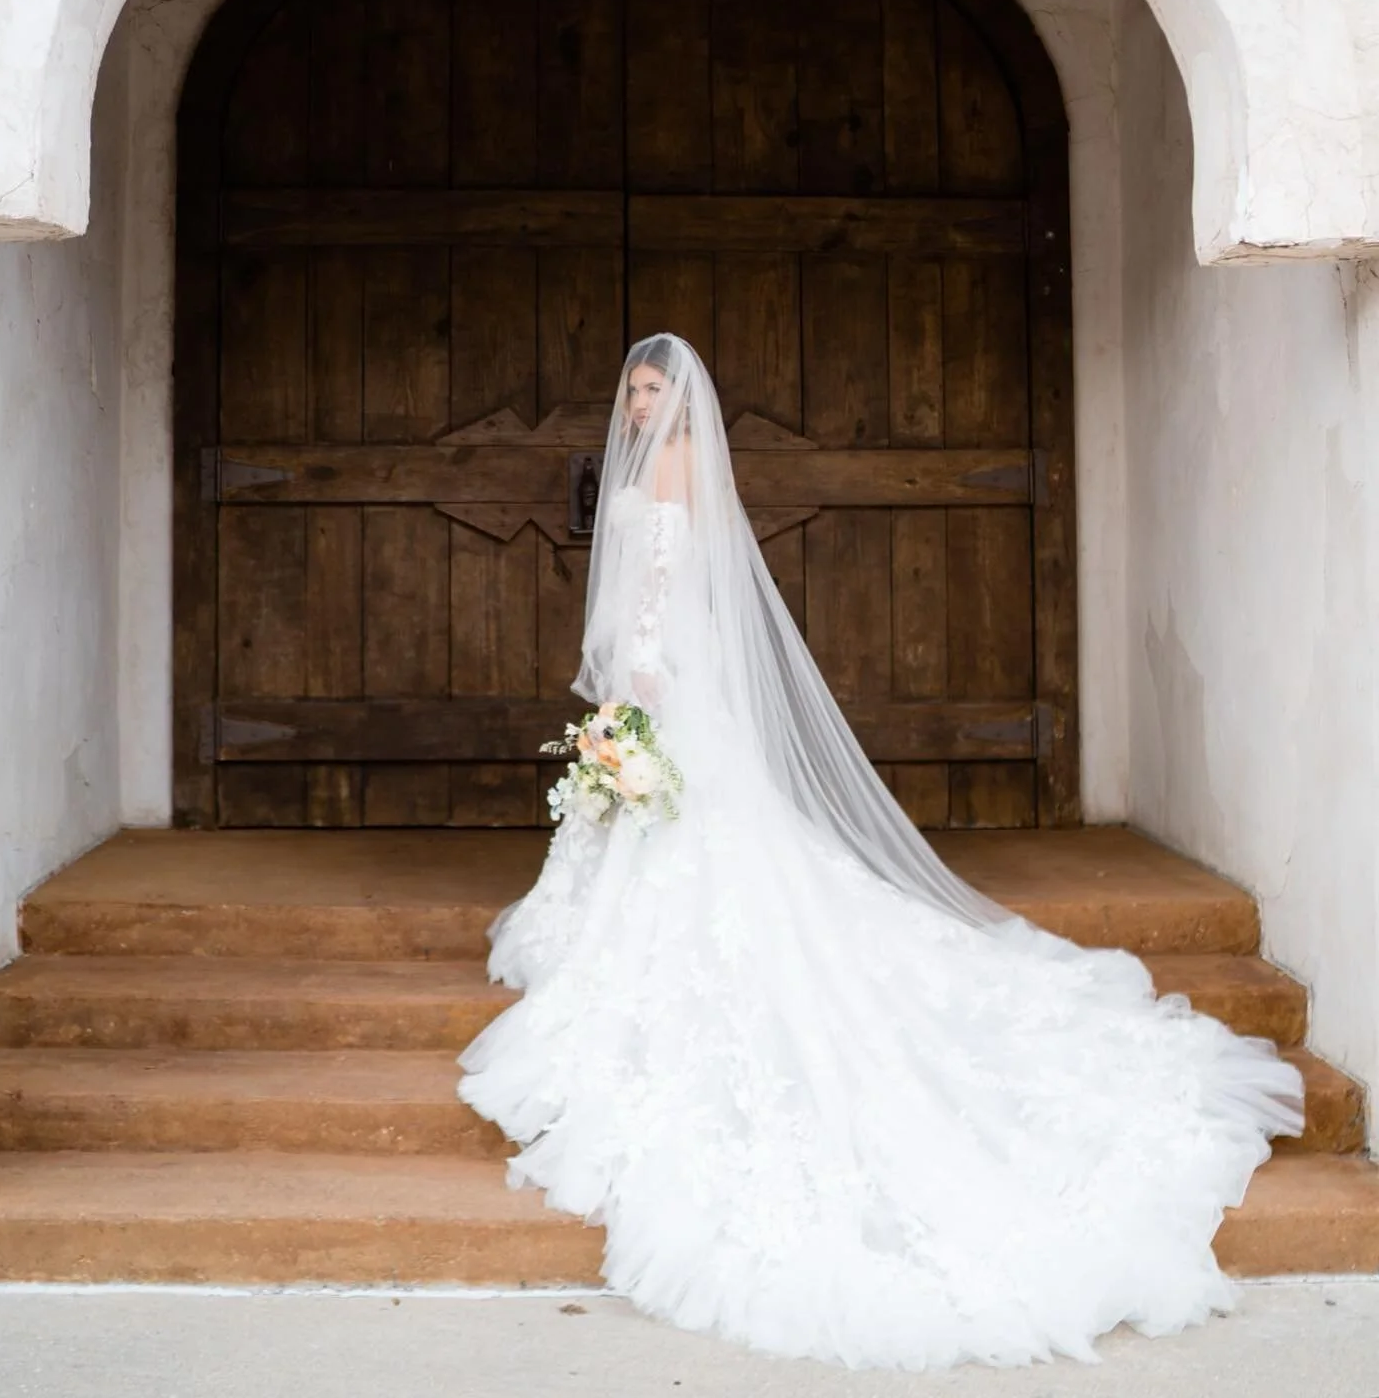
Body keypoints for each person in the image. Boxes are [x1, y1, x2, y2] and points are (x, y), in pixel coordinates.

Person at [457, 332, 1304, 1372]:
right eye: (629, 392)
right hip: (674, 685)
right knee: (681, 838)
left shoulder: (670, 474)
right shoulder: (667, 472)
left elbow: (657, 605)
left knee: (692, 848)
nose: (634, 409)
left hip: (672, 685)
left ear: (681, 406)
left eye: (648, 393)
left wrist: (639, 698)